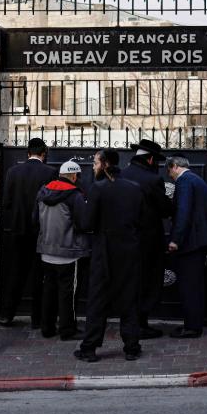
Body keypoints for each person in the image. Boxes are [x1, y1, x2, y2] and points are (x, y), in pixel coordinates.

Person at [75, 149, 144, 362]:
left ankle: (89, 348)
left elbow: (87, 223)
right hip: (129, 251)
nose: (93, 167)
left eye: (95, 163)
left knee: (97, 301)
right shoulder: (134, 189)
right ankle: (131, 347)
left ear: (105, 164)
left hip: (104, 250)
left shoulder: (98, 189)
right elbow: (141, 220)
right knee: (129, 299)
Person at [0, 138, 57, 328]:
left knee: (15, 273)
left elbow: (6, 203)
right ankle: (38, 319)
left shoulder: (13, 172)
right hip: (42, 232)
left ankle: (7, 314)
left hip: (18, 231)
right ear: (44, 153)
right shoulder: (50, 173)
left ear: (28, 153)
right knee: (41, 276)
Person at [33, 160, 90, 341]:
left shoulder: (42, 192)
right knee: (68, 294)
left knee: (48, 291)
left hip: (46, 250)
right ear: (74, 176)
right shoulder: (75, 196)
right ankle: (67, 329)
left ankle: (47, 328)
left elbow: (34, 219)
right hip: (68, 251)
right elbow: (83, 223)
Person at [121, 139, 172, 339]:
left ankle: (130, 324)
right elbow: (165, 209)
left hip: (124, 240)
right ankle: (141, 324)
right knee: (148, 283)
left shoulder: (121, 175)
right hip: (148, 242)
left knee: (129, 283)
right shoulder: (152, 180)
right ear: (150, 159)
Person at [166, 155, 207, 339]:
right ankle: (195, 323)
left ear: (175, 166)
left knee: (189, 286)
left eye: (170, 173)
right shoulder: (198, 180)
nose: (171, 177)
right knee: (196, 285)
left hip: (190, 243)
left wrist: (175, 239)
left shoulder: (184, 181)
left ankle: (192, 327)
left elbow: (183, 211)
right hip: (200, 241)